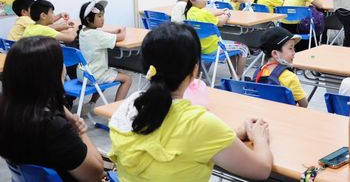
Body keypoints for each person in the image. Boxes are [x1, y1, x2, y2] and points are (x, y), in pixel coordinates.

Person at [109, 23, 272, 181]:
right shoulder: (199, 123)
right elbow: (261, 170)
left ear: (147, 68)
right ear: (194, 70)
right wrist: (260, 138)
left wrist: (233, 134)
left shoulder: (131, 103)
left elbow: (180, 141)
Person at [0, 37, 104, 181]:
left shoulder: (7, 108)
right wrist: (79, 130)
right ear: (51, 73)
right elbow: (96, 174)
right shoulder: (53, 126)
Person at [185, 0, 248, 79]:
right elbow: (221, 22)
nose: (205, 0)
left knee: (233, 51)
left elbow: (208, 14)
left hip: (200, 48)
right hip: (214, 48)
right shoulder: (204, 14)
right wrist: (227, 14)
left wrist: (220, 11)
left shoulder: (190, 12)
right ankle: (238, 77)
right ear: (192, 0)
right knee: (244, 48)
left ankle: (233, 76)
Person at [77, 0, 132, 103]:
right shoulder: (97, 36)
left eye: (103, 15)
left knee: (111, 73)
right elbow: (121, 37)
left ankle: (92, 103)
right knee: (127, 79)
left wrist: (112, 32)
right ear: (89, 20)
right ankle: (114, 109)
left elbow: (99, 34)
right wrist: (123, 31)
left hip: (83, 74)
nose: (103, 19)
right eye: (99, 16)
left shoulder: (83, 31)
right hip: (95, 75)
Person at [253, 27, 308, 107]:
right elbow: (304, 105)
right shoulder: (290, 77)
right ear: (275, 53)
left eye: (294, 48)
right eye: (290, 48)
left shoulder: (257, 74)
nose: (294, 52)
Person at [8, 0, 73, 41]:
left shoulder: (27, 23)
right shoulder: (24, 19)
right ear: (24, 12)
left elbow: (43, 22)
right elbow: (44, 27)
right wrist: (63, 26)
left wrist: (60, 15)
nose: (35, 10)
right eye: (32, 8)